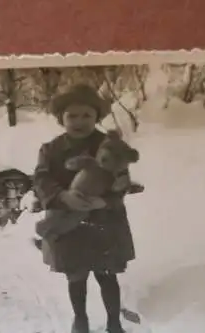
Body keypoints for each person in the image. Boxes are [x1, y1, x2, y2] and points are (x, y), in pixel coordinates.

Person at [32, 84, 136, 333]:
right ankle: (80, 320)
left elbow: (121, 180)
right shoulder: (51, 149)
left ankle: (114, 323)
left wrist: (107, 201)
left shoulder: (108, 145)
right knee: (76, 276)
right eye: (72, 116)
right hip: (68, 223)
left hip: (105, 221)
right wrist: (62, 196)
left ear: (97, 118)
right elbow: (41, 180)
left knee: (107, 274)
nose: (80, 121)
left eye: (87, 115)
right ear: (62, 119)